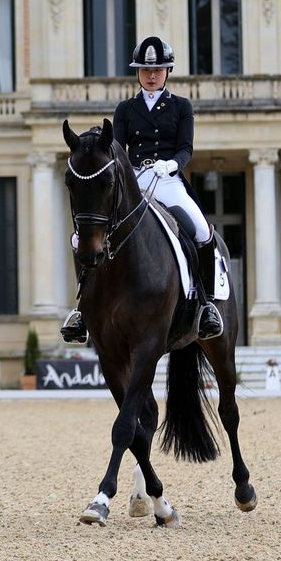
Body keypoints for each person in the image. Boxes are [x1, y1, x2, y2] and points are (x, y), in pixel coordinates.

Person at [61, 35, 223, 343]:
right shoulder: (125, 109)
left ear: (167, 72)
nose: (152, 75)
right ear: (138, 73)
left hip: (168, 180)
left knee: (201, 230)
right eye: (146, 70)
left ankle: (206, 304)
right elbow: (116, 148)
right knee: (81, 237)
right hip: (135, 180)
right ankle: (83, 307)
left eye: (158, 70)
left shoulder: (181, 107)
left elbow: (186, 148)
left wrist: (171, 165)